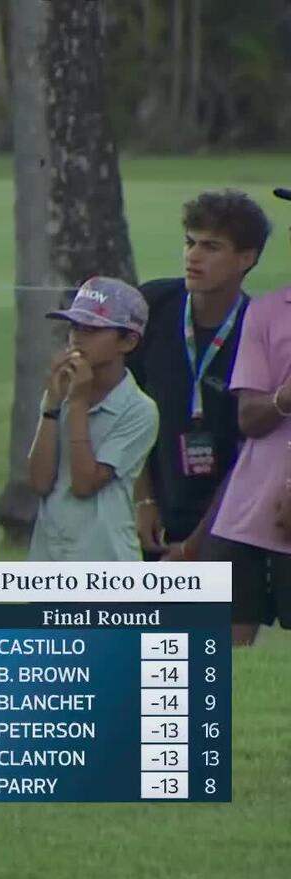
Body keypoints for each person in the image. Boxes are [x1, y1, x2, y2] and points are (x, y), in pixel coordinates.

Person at [132, 191, 270, 565]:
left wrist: (197, 544)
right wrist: (142, 500)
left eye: (211, 247)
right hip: (153, 517)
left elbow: (252, 454)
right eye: (190, 242)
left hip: (229, 524)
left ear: (247, 257)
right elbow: (124, 411)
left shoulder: (260, 329)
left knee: (207, 625)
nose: (193, 255)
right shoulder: (154, 306)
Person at [207, 186, 291, 646]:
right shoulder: (266, 312)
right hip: (250, 510)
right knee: (219, 648)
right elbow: (250, 417)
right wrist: (284, 398)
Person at [26, 277, 160, 562]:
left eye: (93, 329)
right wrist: (51, 406)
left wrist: (77, 403)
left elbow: (85, 483)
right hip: (49, 558)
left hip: (105, 559)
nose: (78, 338)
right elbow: (39, 481)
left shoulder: (139, 410)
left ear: (128, 340)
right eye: (75, 326)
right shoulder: (61, 391)